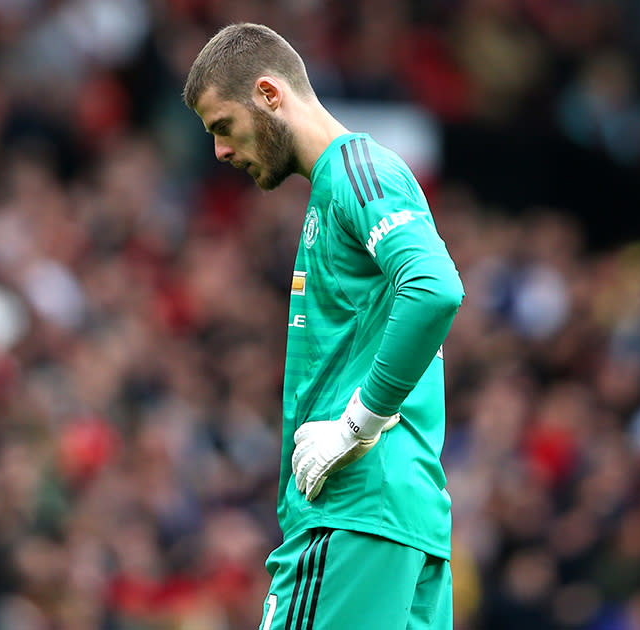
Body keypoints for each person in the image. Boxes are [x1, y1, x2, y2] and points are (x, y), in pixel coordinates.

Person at [183, 23, 465, 630]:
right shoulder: (333, 191)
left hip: (353, 513)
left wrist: (356, 425)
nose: (220, 152)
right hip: (398, 522)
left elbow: (435, 288)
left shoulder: (359, 169)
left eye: (222, 127)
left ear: (268, 94)